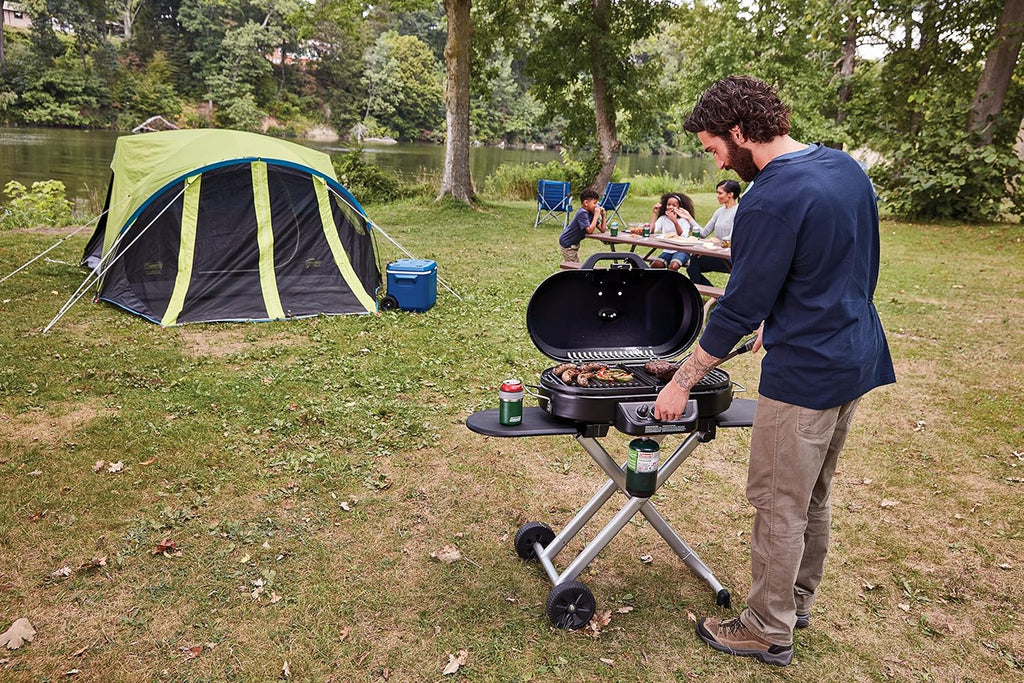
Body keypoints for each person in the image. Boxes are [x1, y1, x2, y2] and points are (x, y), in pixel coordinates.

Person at [653, 76, 895, 666]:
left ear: (739, 132)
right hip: (856, 354)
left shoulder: (767, 199)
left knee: (779, 499)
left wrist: (681, 380)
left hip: (807, 374)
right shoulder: (844, 168)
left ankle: (766, 627)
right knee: (813, 491)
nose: (716, 158)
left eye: (714, 146)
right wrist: (785, 314)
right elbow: (848, 264)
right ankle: (796, 601)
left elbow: (736, 306)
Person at [687, 179, 741, 287]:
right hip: (717, 254)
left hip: (730, 257)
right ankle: (712, 294)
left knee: (694, 263)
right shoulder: (719, 212)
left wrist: (713, 244)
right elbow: (703, 233)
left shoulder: (739, 211)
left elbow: (730, 238)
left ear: (731, 194)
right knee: (693, 264)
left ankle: (710, 295)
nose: (717, 196)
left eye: (720, 193)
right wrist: (688, 218)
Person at [649, 192, 700, 270]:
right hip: (668, 250)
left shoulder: (684, 219)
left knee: (673, 266)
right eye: (668, 204)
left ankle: (672, 281)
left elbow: (682, 236)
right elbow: (652, 230)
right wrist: (654, 214)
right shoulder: (663, 218)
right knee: (655, 265)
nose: (670, 207)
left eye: (674, 205)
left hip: (682, 250)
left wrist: (675, 221)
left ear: (679, 207)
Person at [558, 188, 605, 263]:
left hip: (574, 243)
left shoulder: (591, 213)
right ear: (586, 203)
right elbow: (589, 230)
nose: (596, 206)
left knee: (571, 267)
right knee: (574, 268)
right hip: (568, 243)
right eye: (594, 203)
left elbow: (602, 229)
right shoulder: (582, 213)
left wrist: (603, 215)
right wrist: (596, 215)